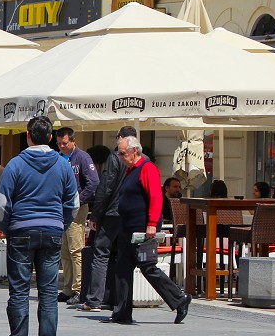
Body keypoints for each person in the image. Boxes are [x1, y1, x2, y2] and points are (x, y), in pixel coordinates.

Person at [0, 116, 78, 336]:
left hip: (20, 230)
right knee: (49, 292)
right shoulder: (63, 165)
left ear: (28, 135)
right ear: (51, 137)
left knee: (19, 291)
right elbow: (73, 203)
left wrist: (6, 228)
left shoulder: (15, 165)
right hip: (52, 231)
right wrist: (61, 224)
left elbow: (2, 204)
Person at [109, 136, 191, 325]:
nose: (120, 157)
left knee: (147, 266)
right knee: (122, 269)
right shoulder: (130, 171)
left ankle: (179, 299)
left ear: (134, 151)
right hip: (127, 228)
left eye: (122, 153)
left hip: (143, 230)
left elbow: (156, 197)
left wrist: (152, 223)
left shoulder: (148, 168)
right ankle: (121, 312)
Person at [82, 126, 138, 313]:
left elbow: (106, 187)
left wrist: (95, 214)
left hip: (112, 213)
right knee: (123, 255)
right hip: (129, 214)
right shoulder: (143, 160)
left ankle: (94, 300)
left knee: (101, 253)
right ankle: (119, 299)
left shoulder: (115, 157)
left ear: (121, 137)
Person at [55, 127, 99, 306]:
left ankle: (79, 289)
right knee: (64, 250)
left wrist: (79, 200)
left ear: (73, 141)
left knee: (76, 249)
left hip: (76, 208)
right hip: (61, 208)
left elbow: (94, 182)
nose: (62, 146)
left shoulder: (82, 158)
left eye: (65, 143)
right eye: (59, 143)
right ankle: (67, 288)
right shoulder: (58, 157)